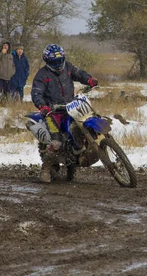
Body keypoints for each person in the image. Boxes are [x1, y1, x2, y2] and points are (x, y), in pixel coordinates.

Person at [31, 44, 98, 183]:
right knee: (56, 141)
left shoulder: (67, 67)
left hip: (70, 105)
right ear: (47, 61)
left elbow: (79, 74)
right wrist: (42, 106)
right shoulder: (42, 75)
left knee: (89, 119)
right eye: (54, 62)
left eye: (60, 60)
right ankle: (46, 169)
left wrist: (89, 79)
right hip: (52, 111)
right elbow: (36, 93)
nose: (58, 64)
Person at [0, 41, 16, 106]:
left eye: (7, 46)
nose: (5, 47)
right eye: (4, 45)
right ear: (2, 46)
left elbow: (13, 65)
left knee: (7, 93)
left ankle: (4, 105)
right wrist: (1, 53)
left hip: (8, 78)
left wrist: (12, 72)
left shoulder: (10, 55)